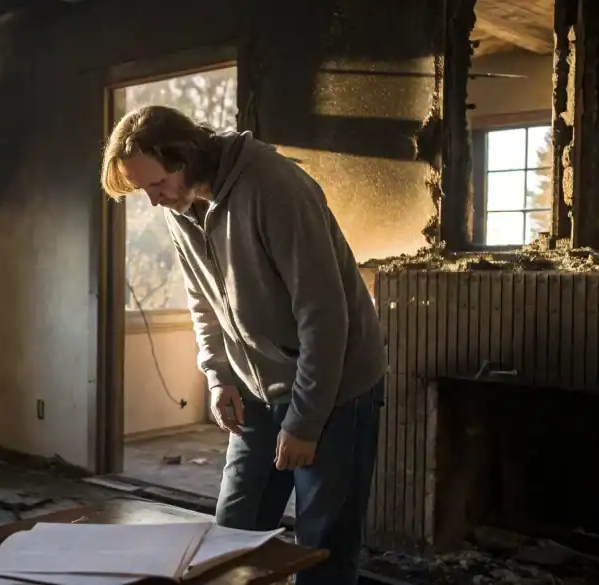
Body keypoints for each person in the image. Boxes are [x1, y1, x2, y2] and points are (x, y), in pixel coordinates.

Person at [100, 105, 386, 585]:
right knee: (230, 536)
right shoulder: (181, 203)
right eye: (142, 190)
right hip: (256, 389)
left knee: (322, 547)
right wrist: (219, 374)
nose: (151, 200)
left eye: (155, 185)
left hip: (336, 389)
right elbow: (202, 297)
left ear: (185, 156)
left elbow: (324, 315)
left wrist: (305, 421)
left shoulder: (276, 188)